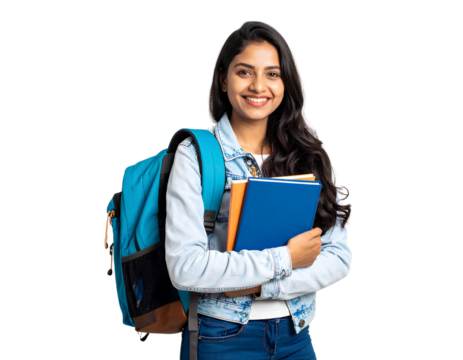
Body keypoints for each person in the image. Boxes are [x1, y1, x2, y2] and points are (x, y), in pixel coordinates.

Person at [166, 18, 353, 360]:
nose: (258, 86)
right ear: (223, 79)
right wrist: (286, 259)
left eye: (272, 73)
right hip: (222, 337)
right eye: (244, 72)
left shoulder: (308, 154)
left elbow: (339, 257)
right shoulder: (196, 155)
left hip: (297, 336)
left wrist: (262, 286)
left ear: (286, 83)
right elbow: (185, 267)